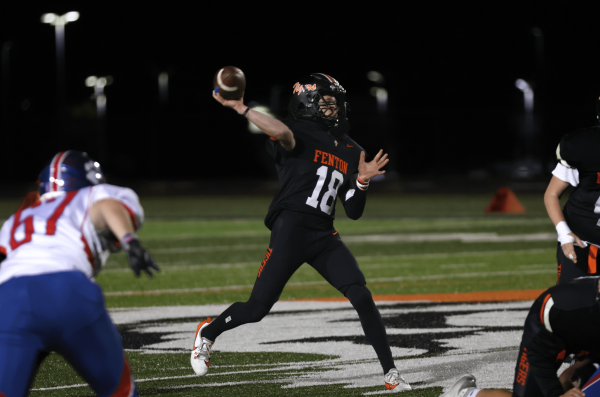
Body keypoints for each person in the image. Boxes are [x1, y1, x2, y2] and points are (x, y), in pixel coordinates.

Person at [190, 73, 410, 391]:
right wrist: (239, 107)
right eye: (326, 101)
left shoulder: (351, 149)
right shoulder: (299, 133)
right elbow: (280, 131)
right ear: (307, 103)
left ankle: (391, 374)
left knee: (361, 294)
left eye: (336, 102)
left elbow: (353, 211)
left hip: (323, 234)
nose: (333, 108)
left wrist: (361, 183)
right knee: (257, 308)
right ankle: (208, 333)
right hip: (291, 228)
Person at [0, 151, 160, 397]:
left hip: (10, 299)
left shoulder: (17, 218)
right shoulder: (91, 194)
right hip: (65, 291)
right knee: (120, 391)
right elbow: (107, 206)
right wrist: (130, 241)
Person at [439, 277, 600, 397]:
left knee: (577, 383)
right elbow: (538, 357)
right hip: (547, 333)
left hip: (587, 335)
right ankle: (467, 394)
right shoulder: (569, 310)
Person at [544, 100, 600, 283]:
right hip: (583, 237)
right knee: (572, 304)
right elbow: (552, 194)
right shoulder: (585, 145)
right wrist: (564, 232)